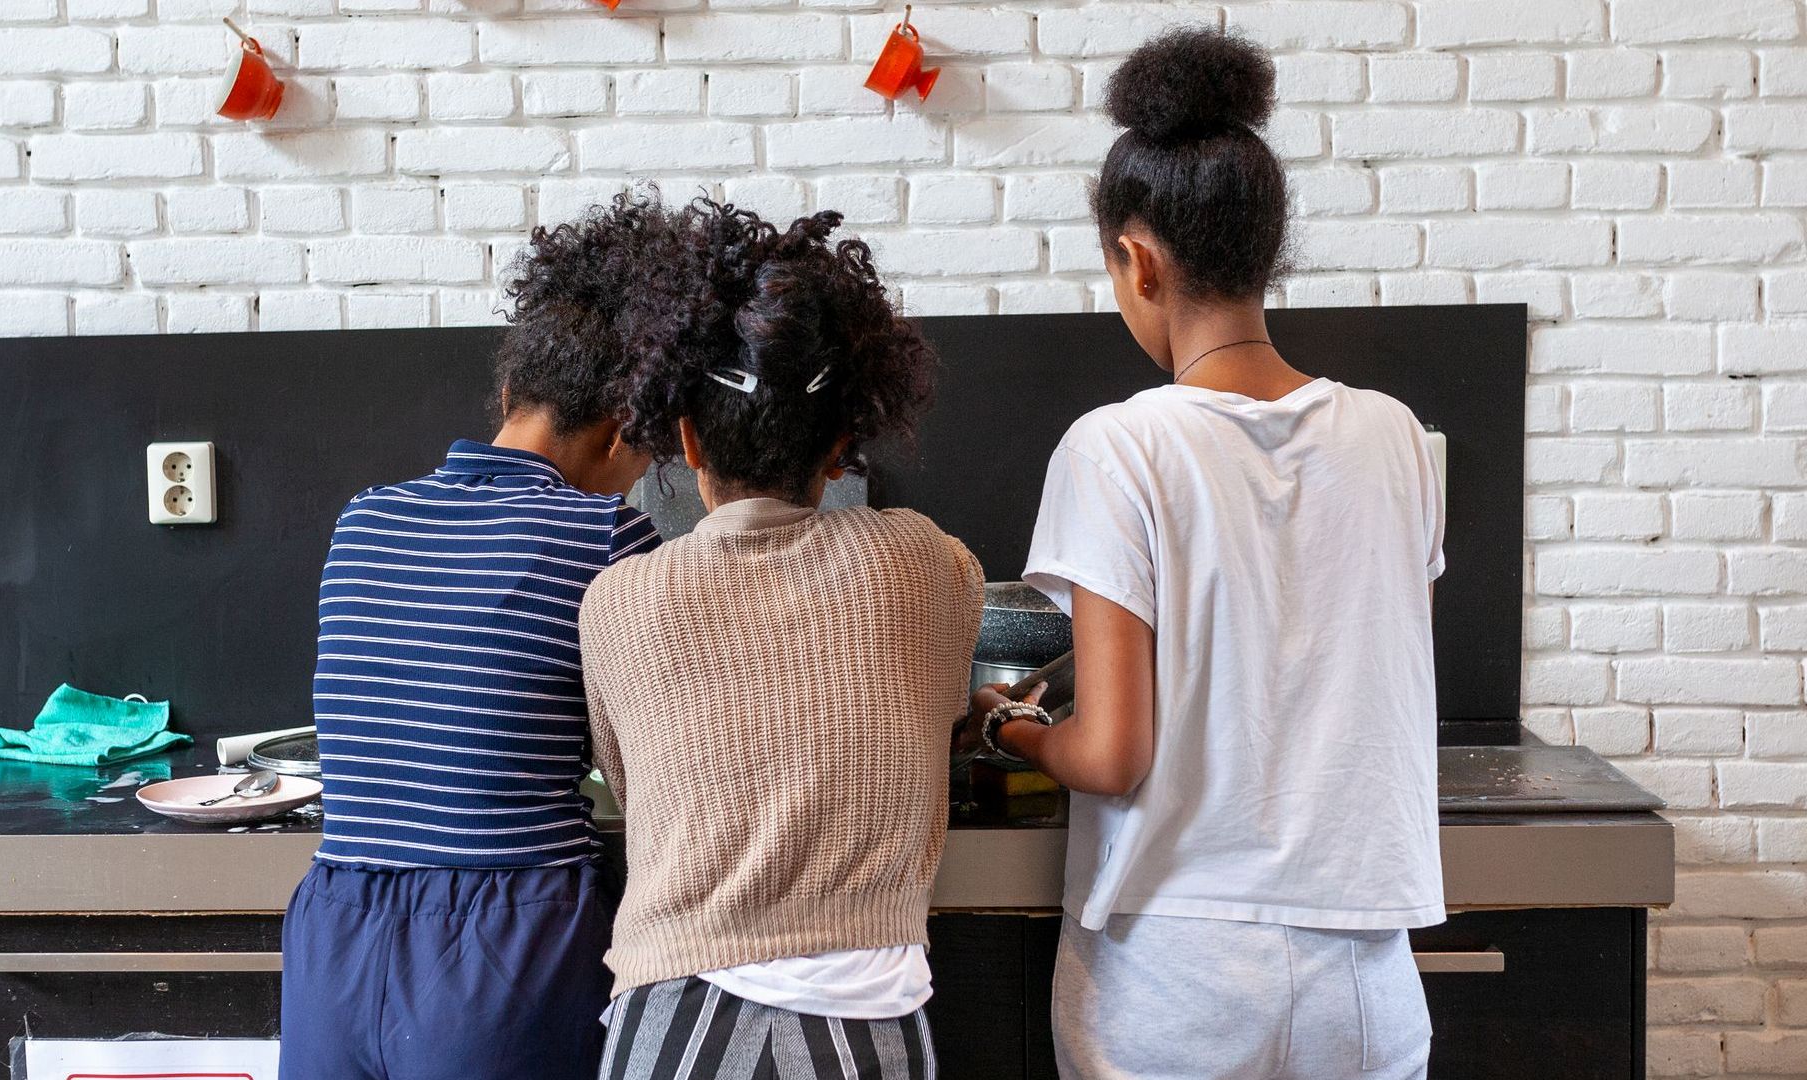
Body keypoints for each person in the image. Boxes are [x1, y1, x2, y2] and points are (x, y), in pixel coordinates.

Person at [967, 28, 1447, 1080]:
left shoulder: (1116, 446)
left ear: (1137, 260)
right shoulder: (1397, 437)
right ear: (1267, 249)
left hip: (1176, 972)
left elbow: (1113, 755)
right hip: (1365, 974)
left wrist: (1012, 728)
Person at [580, 199, 982, 1080]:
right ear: (843, 446)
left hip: (670, 1017)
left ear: (686, 440)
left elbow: (632, 784)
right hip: (868, 1027)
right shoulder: (925, 561)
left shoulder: (617, 601)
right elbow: (941, 704)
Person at [279, 193, 667, 1080]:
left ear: (509, 392)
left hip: (335, 936)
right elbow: (663, 768)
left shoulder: (365, 519)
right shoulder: (608, 538)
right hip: (505, 949)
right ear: (624, 430)